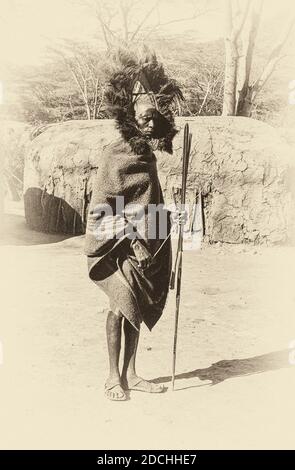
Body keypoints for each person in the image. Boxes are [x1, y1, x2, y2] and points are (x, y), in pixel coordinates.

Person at [84, 50, 184, 401]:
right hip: (118, 250)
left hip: (146, 250)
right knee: (118, 307)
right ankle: (113, 376)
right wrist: (130, 237)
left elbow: (151, 203)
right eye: (142, 120)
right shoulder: (115, 154)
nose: (148, 124)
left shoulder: (148, 157)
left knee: (136, 309)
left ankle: (132, 371)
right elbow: (99, 210)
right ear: (129, 117)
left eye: (152, 120)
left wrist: (168, 227)